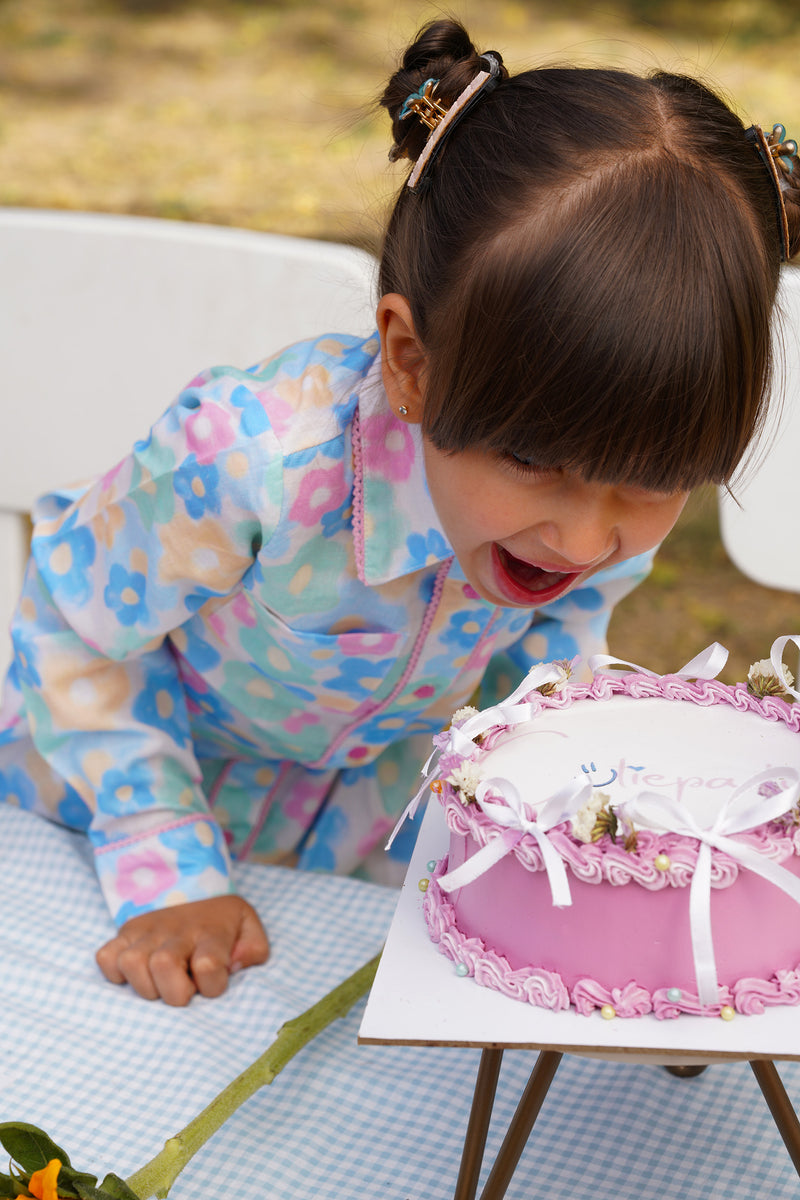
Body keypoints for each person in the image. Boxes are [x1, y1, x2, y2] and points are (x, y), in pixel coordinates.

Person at [0, 19, 798, 1007]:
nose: (587, 540)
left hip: (357, 848)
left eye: (651, 481)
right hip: (107, 816)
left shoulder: (589, 529)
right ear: (411, 363)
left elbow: (537, 688)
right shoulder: (251, 460)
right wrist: (165, 864)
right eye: (534, 460)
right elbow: (72, 635)